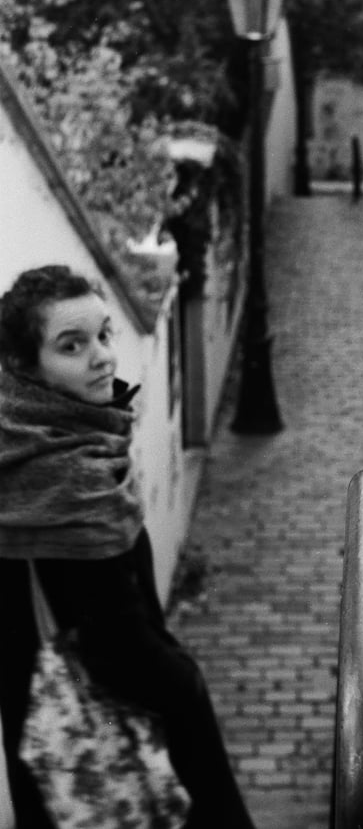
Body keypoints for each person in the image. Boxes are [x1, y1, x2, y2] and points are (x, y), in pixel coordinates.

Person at [0, 265, 257, 829]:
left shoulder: (16, 442)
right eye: (72, 346)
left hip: (42, 736)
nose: (102, 358)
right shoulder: (73, 477)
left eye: (103, 335)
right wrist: (186, 683)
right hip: (120, 745)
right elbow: (120, 650)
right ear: (24, 366)